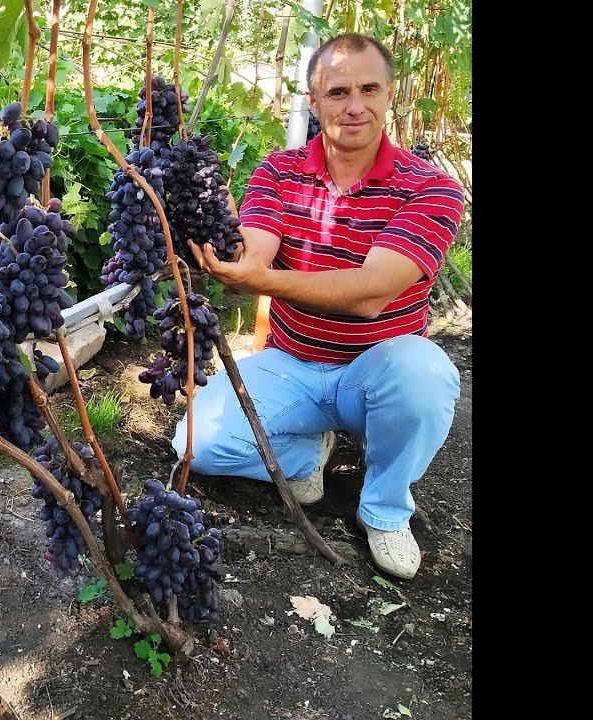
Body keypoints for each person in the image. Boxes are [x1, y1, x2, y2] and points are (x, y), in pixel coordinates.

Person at [174, 32, 465, 580]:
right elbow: (257, 248)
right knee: (196, 442)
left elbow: (372, 293)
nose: (354, 105)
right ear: (314, 101)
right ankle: (308, 457)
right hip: (291, 364)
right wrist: (232, 253)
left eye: (368, 88)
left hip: (375, 374)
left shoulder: (430, 189)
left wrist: (262, 279)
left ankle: (383, 507)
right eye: (337, 92)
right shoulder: (278, 172)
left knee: (425, 374)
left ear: (389, 94)